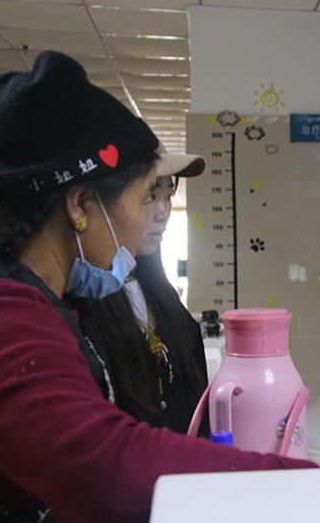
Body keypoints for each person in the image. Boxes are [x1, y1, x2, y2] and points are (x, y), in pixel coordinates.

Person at [0, 50, 316, 522]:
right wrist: (300, 487)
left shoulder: (25, 290)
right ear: (81, 205)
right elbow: (101, 467)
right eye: (144, 198)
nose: (149, 220)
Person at [80, 147, 209, 435]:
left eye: (167, 195)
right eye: (150, 196)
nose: (163, 213)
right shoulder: (84, 297)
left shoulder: (161, 292)